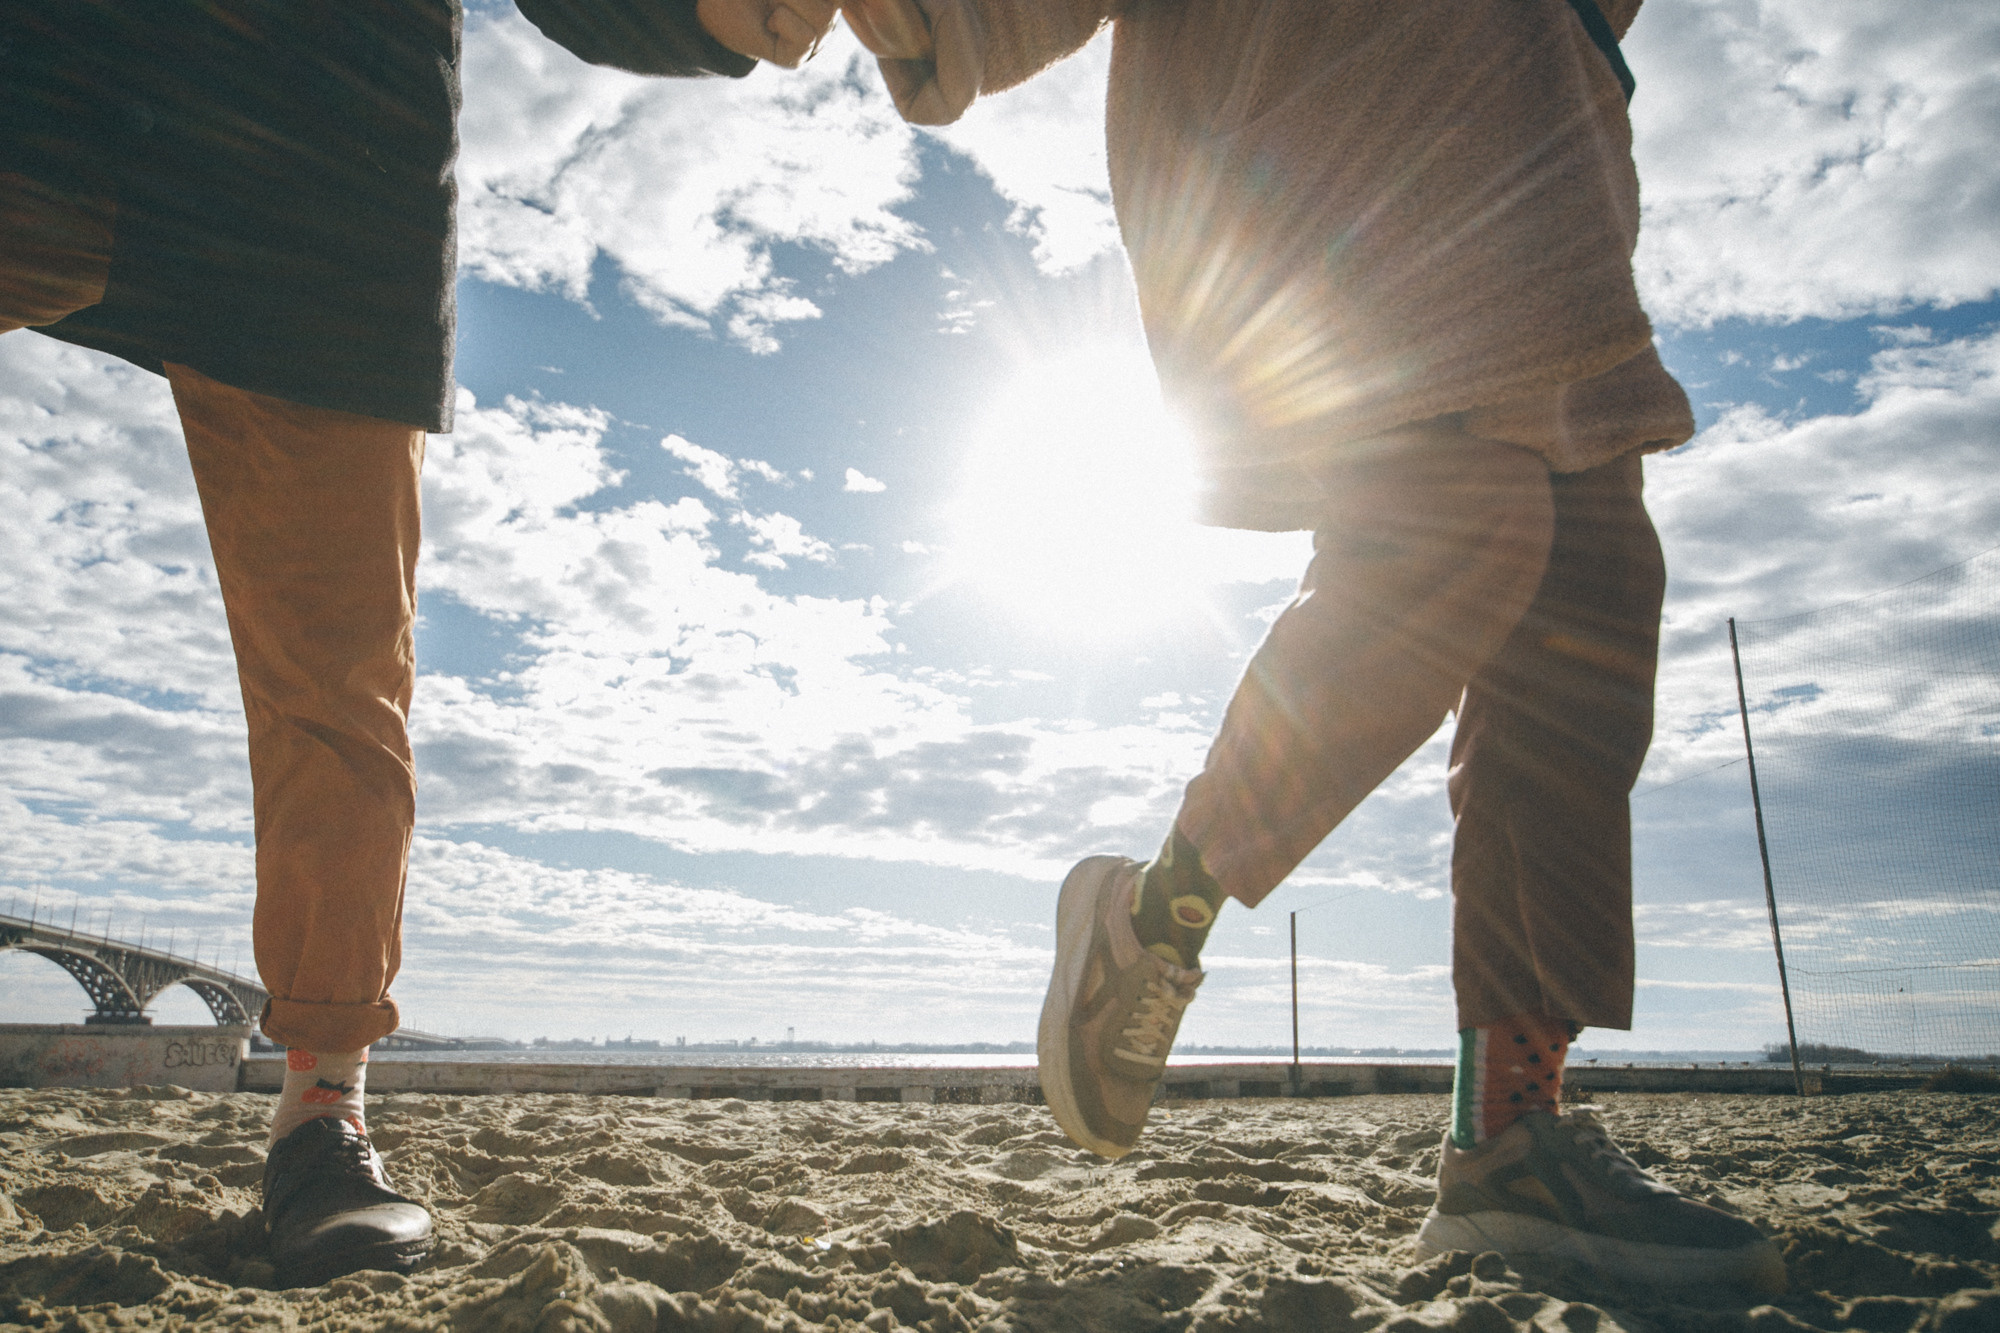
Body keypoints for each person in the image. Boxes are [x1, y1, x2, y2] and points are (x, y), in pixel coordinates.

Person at [842, 0, 1786, 1294]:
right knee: (1459, 519)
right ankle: (1158, 908)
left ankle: (1512, 1131)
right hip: (1345, 123)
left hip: (1543, 158)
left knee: (1590, 602)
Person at [1, 0, 835, 1288]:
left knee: (337, 685)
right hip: (46, 68)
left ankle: (322, 1114)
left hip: (321, 151)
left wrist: (709, 16)